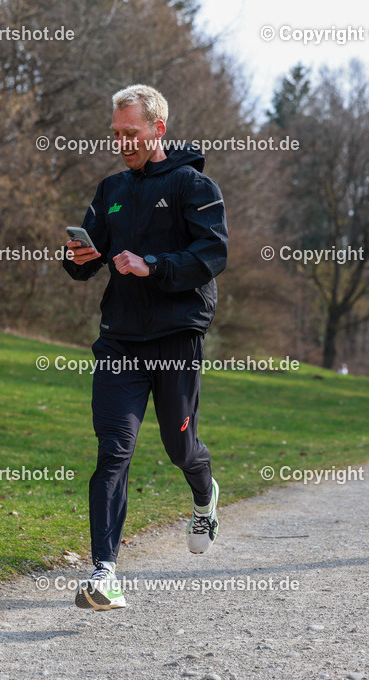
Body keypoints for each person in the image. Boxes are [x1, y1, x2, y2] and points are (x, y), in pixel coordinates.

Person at [62, 84, 228, 611]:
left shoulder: (193, 185)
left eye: (131, 133)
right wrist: (78, 257)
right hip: (121, 341)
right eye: (116, 134)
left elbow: (212, 254)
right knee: (113, 449)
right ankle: (104, 571)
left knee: (180, 447)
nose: (122, 142)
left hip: (176, 336)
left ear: (158, 129)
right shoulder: (111, 188)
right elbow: (87, 259)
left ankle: (204, 494)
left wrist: (152, 265)